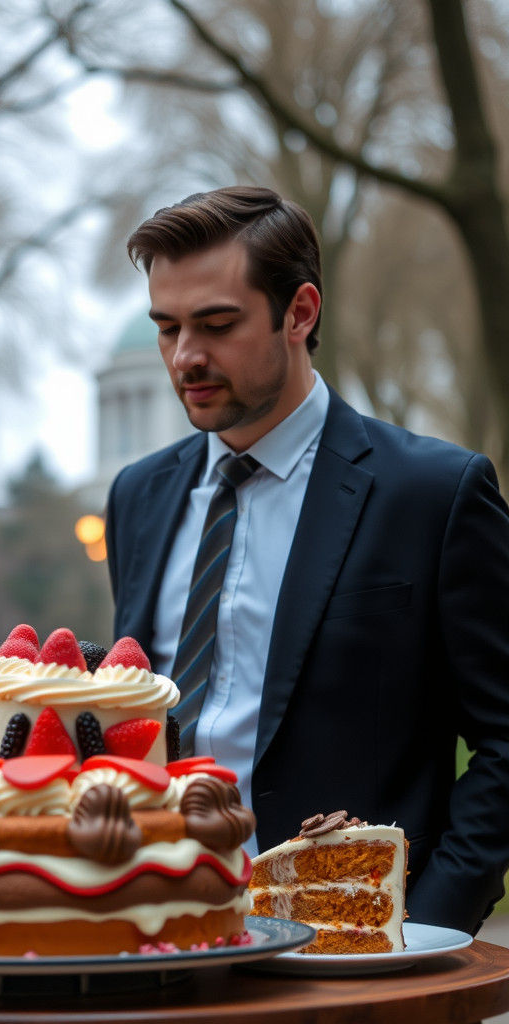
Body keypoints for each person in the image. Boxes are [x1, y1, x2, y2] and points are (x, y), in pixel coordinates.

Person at [104, 185, 509, 936]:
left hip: (353, 956)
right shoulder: (138, 496)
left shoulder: (434, 494)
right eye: (167, 328)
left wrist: (429, 921)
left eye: (217, 325)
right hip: (152, 940)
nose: (186, 356)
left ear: (301, 313)